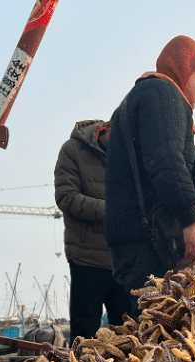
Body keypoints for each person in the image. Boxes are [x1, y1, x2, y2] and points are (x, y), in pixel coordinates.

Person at [104, 35, 195, 314]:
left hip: (134, 238)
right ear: (186, 70)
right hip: (149, 241)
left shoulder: (142, 97)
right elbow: (165, 161)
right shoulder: (163, 94)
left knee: (146, 326)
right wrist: (191, 220)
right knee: (161, 330)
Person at [54, 119, 131, 342]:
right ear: (106, 128)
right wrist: (112, 210)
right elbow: (66, 197)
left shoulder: (127, 155)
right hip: (87, 258)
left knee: (128, 338)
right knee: (84, 337)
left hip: (123, 260)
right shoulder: (72, 150)